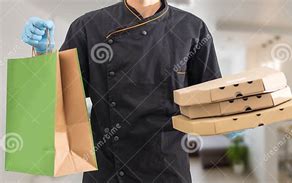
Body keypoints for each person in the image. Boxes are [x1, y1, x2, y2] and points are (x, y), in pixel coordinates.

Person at [21, 0, 242, 182]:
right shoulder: (88, 26)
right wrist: (43, 56)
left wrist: (234, 118)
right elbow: (61, 97)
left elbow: (211, 96)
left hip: (168, 170)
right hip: (108, 171)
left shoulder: (193, 29)